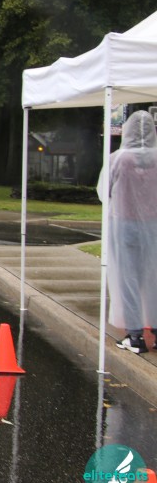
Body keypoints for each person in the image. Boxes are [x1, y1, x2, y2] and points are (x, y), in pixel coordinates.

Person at [99, 110, 157, 353]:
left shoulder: (118, 159)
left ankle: (134, 336)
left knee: (127, 278)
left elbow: (104, 191)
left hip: (123, 225)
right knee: (153, 276)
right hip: (153, 226)